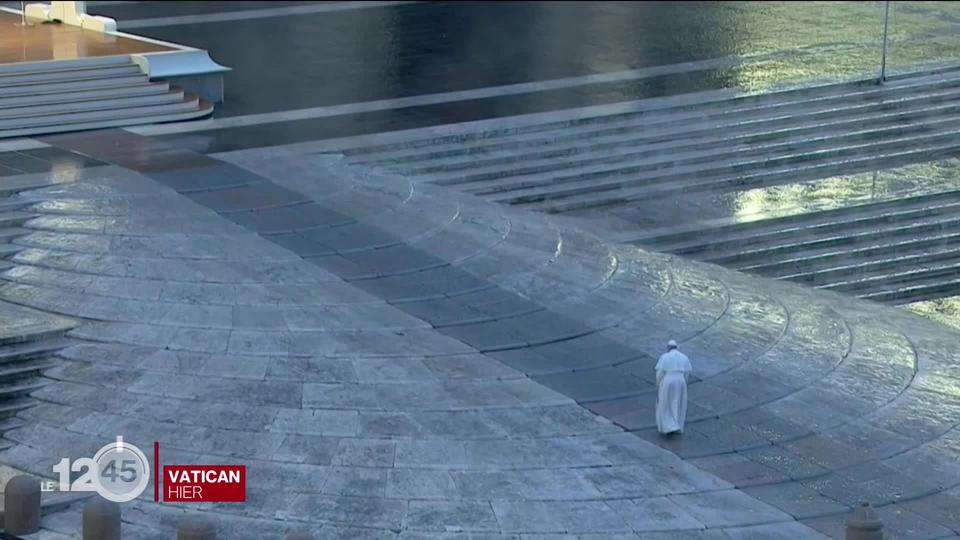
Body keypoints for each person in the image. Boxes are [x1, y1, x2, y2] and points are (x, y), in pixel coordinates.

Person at [655, 339, 692, 435]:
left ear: (668, 348)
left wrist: (658, 384)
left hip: (668, 380)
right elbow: (687, 373)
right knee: (678, 403)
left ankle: (668, 426)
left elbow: (660, 373)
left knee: (665, 403)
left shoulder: (665, 356)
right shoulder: (684, 357)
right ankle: (677, 424)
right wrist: (684, 383)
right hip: (681, 380)